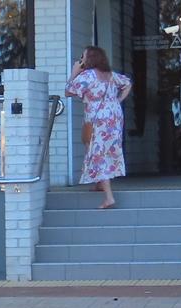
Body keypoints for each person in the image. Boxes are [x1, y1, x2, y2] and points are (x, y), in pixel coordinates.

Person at [66, 45, 131, 209]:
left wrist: (74, 72)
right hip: (114, 116)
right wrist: (118, 100)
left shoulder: (87, 76)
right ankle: (98, 183)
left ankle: (109, 197)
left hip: (97, 118)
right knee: (104, 149)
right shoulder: (110, 75)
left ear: (90, 59)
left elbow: (68, 92)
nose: (81, 60)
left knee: (97, 153)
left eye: (83, 57)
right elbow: (127, 84)